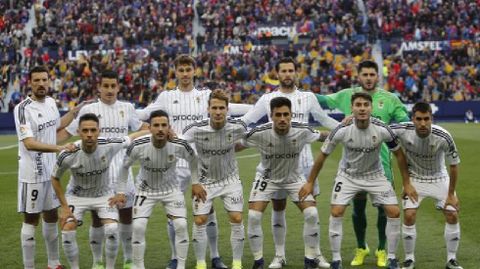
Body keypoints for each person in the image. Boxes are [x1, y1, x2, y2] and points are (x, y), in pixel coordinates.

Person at [138, 54, 249, 269]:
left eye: (189, 69)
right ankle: (175, 257)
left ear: (195, 71)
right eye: (181, 70)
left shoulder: (206, 95)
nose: (185, 74)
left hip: (203, 163)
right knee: (174, 212)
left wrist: (264, 105)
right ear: (176, 72)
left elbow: (233, 107)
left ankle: (215, 256)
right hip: (176, 162)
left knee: (208, 211)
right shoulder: (165, 97)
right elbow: (144, 114)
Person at [300, 92, 416, 269]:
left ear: (371, 108)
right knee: (337, 211)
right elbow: (322, 156)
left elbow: (399, 155)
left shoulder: (383, 128)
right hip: (348, 176)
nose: (362, 108)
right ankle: (337, 260)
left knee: (394, 212)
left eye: (365, 105)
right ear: (352, 108)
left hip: (375, 175)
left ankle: (391, 257)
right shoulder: (342, 129)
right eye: (358, 105)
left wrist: (407, 183)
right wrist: (309, 182)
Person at [241, 57, 337, 269]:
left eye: (290, 70)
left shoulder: (308, 97)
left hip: (304, 163)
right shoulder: (268, 99)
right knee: (278, 208)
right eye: (282, 70)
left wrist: (345, 128)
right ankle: (279, 255)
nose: (286, 74)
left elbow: (324, 121)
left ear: (296, 72)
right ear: (277, 73)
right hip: (276, 163)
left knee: (312, 211)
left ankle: (315, 254)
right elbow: (246, 120)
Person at [316, 60, 409, 267]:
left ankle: (383, 249)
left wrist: (389, 127)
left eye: (371, 74)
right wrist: (297, 93)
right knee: (358, 207)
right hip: (354, 166)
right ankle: (361, 246)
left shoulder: (390, 99)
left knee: (385, 209)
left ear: (377, 76)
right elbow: (321, 100)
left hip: (381, 163)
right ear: (359, 76)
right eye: (364, 74)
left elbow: (405, 121)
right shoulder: (346, 95)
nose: (368, 78)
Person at [58, 70, 149, 269]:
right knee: (98, 218)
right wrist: (48, 144)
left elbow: (143, 127)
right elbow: (67, 132)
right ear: (99, 87)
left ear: (118, 87)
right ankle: (98, 261)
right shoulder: (88, 110)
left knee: (126, 216)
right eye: (105, 86)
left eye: (112, 86)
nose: (109, 90)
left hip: (123, 171)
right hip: (98, 172)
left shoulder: (127, 108)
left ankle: (127, 258)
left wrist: (165, 129)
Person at [13, 65, 83, 269]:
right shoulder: (23, 109)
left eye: (45, 80)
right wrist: (59, 148)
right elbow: (29, 143)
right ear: (30, 83)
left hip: (51, 172)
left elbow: (56, 125)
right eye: (37, 80)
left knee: (51, 216)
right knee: (31, 219)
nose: (42, 84)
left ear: (49, 81)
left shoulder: (52, 103)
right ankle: (29, 266)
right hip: (32, 174)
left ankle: (53, 263)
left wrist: (74, 112)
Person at [109, 110, 197, 269]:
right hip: (145, 190)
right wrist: (121, 191)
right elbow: (124, 167)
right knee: (138, 226)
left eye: (164, 125)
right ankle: (138, 266)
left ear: (169, 127)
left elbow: (193, 160)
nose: (160, 129)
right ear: (150, 128)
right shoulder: (138, 145)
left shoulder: (178, 144)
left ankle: (181, 266)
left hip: (171, 190)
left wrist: (196, 183)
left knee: (181, 225)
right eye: (156, 125)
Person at [390, 102, 463, 269]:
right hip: (415, 179)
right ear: (412, 119)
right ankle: (409, 259)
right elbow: (379, 128)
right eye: (419, 119)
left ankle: (451, 259)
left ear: (432, 119)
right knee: (409, 215)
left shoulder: (443, 136)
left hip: (439, 178)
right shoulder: (402, 129)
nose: (423, 123)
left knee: (452, 214)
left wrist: (451, 194)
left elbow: (454, 166)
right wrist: (350, 119)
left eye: (426, 119)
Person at [182, 90, 247, 269]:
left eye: (221, 108)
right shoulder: (196, 128)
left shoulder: (238, 127)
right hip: (205, 182)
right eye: (214, 108)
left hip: (230, 180)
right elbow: (181, 146)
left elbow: (249, 141)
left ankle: (237, 263)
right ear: (208, 109)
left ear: (227, 110)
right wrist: (194, 182)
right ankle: (201, 263)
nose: (218, 111)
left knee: (236, 217)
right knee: (200, 220)